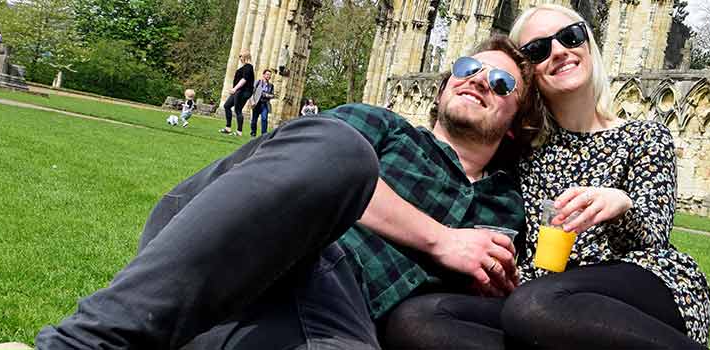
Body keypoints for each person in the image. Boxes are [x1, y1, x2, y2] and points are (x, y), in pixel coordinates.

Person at [34, 36, 542, 349]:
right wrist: (440, 239)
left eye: (500, 82)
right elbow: (315, 171)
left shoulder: (507, 206)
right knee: (339, 150)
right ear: (442, 85)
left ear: (517, 123)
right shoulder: (381, 126)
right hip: (256, 243)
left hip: (331, 321)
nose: (477, 80)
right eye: (465, 67)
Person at [382, 5, 710, 349]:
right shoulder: (523, 154)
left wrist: (622, 205)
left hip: (642, 287)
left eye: (570, 37)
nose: (559, 51)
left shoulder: (645, 136)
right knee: (418, 318)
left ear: (589, 46)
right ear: (527, 76)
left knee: (534, 305)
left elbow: (653, 238)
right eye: (538, 50)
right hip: (545, 303)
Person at [222, 52, 255, 136]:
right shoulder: (244, 67)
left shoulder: (249, 67)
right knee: (227, 106)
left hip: (243, 91)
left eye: (241, 56)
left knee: (238, 110)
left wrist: (235, 88)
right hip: (238, 91)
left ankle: (239, 131)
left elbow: (244, 79)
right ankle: (228, 128)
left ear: (245, 57)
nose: (240, 58)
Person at [249, 69, 276, 136]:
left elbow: (273, 95)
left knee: (264, 118)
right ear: (263, 75)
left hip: (265, 104)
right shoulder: (258, 82)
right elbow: (251, 92)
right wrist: (252, 101)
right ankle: (253, 132)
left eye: (270, 75)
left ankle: (264, 134)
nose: (268, 76)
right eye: (267, 74)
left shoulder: (271, 86)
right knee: (254, 119)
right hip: (257, 103)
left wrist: (267, 95)